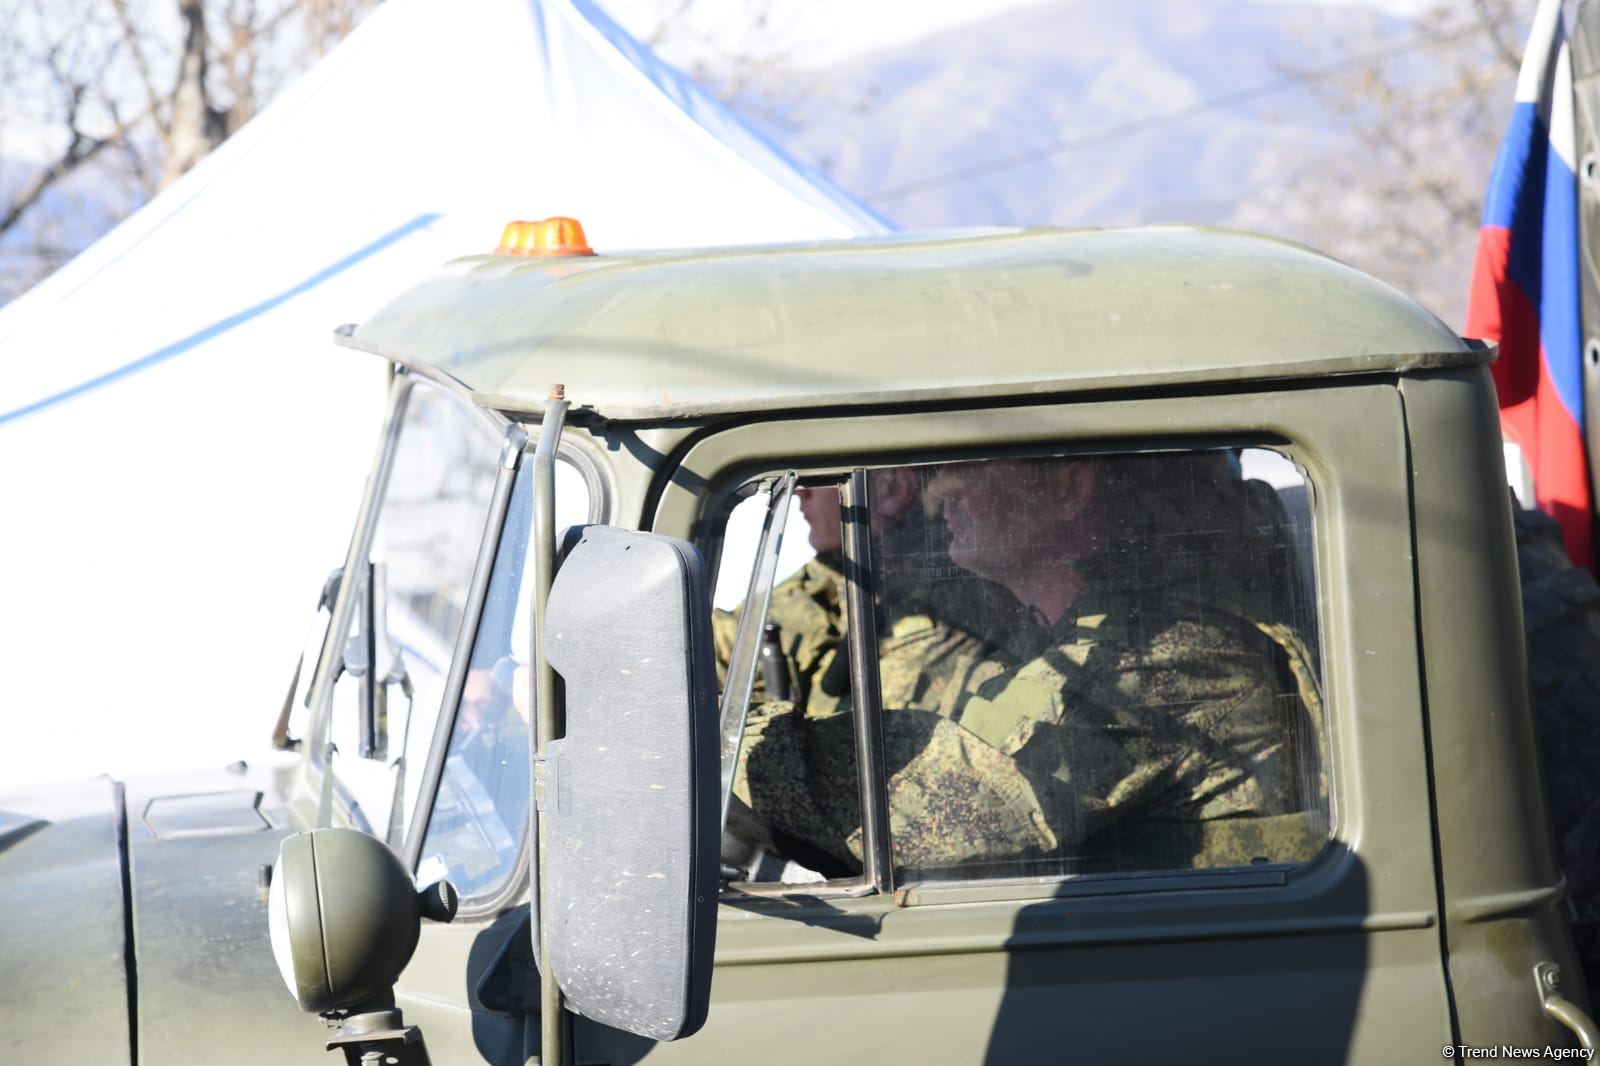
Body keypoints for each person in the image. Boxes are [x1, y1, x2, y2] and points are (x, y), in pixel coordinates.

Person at [735, 453, 1326, 880]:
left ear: (1069, 489)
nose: (938, 493)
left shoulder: (1168, 654)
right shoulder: (1052, 631)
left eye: (962, 462)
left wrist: (713, 747)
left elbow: (930, 810)